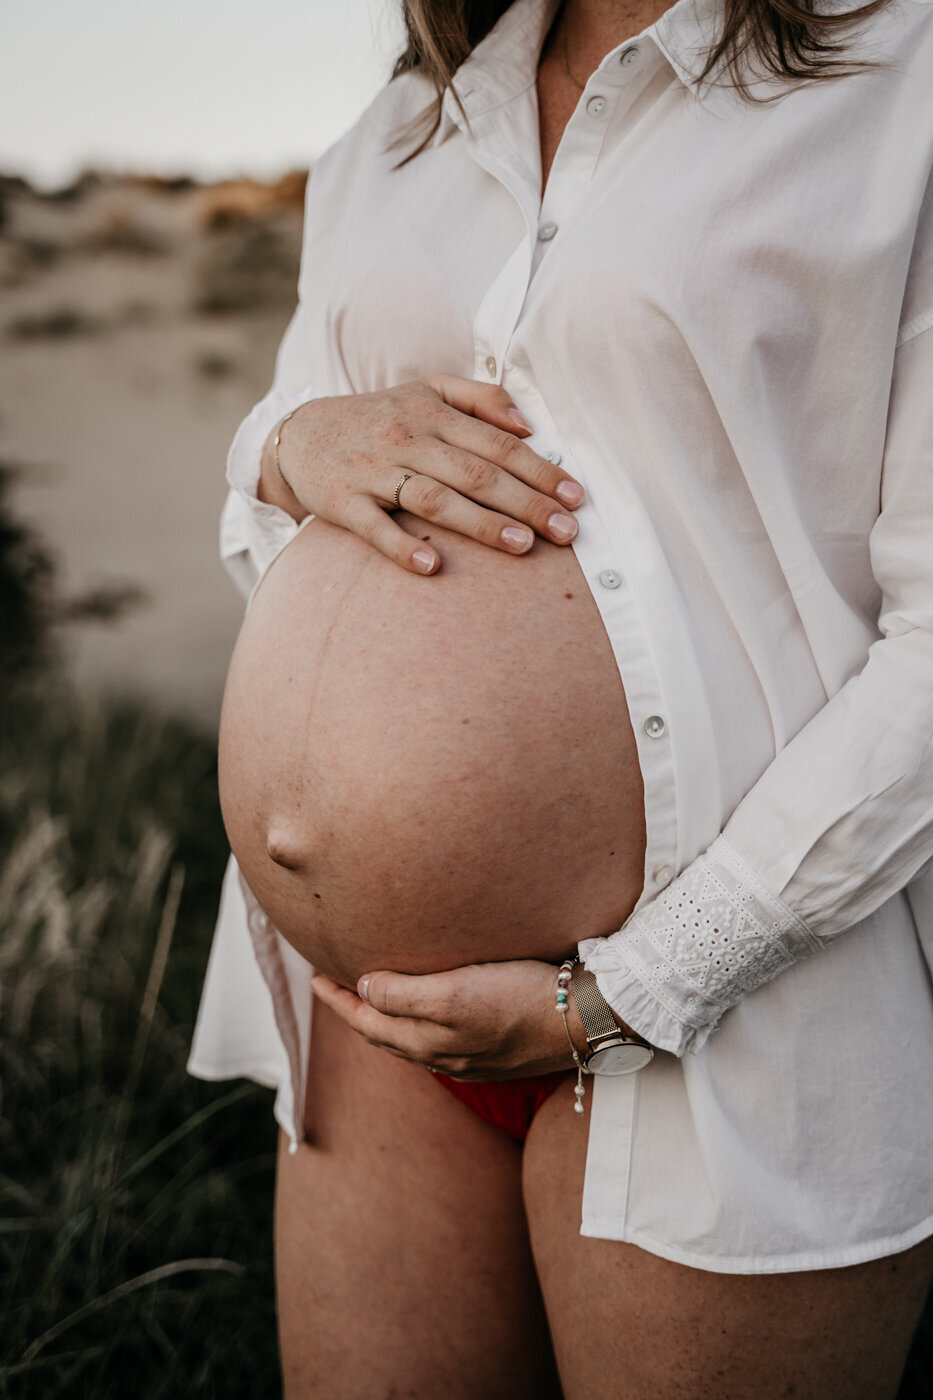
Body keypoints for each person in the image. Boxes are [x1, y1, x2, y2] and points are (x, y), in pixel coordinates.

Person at [188, 0, 933, 1395]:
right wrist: (285, 442)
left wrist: (641, 985)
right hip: (366, 1026)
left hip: (727, 1022)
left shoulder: (901, 88)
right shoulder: (397, 134)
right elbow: (276, 503)